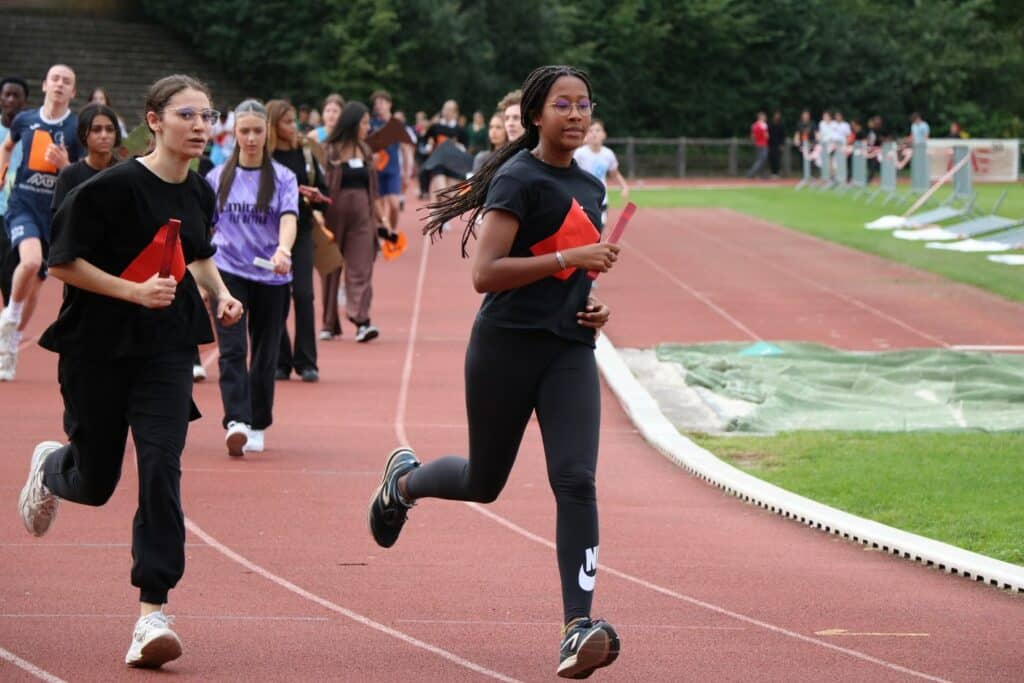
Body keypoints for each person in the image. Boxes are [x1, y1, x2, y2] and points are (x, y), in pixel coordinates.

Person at [368, 64, 621, 679]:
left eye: (584, 104)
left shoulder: (591, 188)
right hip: (505, 349)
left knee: (576, 479)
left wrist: (592, 303)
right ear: (536, 114)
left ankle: (576, 627)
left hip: (568, 350)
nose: (576, 114)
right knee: (484, 482)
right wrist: (568, 255)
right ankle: (404, 484)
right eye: (563, 104)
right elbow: (486, 273)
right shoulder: (517, 178)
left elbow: (574, 275)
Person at [17, 73, 243, 669]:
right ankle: (52, 467)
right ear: (154, 120)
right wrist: (132, 291)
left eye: (206, 116)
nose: (200, 126)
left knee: (162, 468)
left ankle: (152, 615)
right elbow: (61, 264)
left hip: (166, 349)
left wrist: (220, 294)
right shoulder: (108, 189)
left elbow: (196, 254)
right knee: (95, 484)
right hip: (97, 349)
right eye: (187, 115)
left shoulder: (199, 191)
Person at [205, 99, 298, 455]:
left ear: (266, 133)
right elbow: (206, 227)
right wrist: (202, 278)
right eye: (244, 131)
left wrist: (283, 250)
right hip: (228, 272)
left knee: (264, 352)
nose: (251, 138)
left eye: (257, 131)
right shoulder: (217, 178)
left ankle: (258, 421)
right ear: (234, 133)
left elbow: (289, 218)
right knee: (232, 348)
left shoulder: (284, 178)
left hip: (271, 276)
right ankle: (236, 421)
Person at [0, 64, 83, 381]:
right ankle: (10, 315)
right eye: (55, 79)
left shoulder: (76, 128)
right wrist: (2, 173)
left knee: (35, 284)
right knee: (31, 261)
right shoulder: (25, 120)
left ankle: (11, 343)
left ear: (73, 92)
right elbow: (8, 146)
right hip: (23, 205)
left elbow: (81, 173)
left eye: (67, 81)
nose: (60, 84)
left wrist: (65, 165)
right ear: (45, 85)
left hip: (54, 212)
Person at [267, 98, 328, 383]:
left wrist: (316, 196)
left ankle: (307, 361)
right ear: (273, 125)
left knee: (304, 294)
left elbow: (325, 195)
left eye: (294, 121)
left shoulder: (305, 152)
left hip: (301, 230)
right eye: (288, 122)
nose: (294, 127)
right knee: (275, 296)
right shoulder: (262, 156)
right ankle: (281, 360)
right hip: (268, 234)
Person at [322, 101, 385, 342]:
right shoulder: (329, 150)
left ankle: (361, 321)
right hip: (332, 216)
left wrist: (382, 221)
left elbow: (373, 190)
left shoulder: (365, 150)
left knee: (361, 266)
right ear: (352, 123)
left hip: (362, 217)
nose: (368, 128)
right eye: (365, 123)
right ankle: (329, 323)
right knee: (331, 268)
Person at [50, 102, 121, 222]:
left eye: (109, 129)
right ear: (83, 134)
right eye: (96, 130)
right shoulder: (69, 176)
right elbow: (60, 222)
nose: (104, 135)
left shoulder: (125, 173)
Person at [1, 75, 30, 306]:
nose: (11, 99)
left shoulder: (32, 133)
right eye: (7, 94)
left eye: (16, 95)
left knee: (9, 276)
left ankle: (10, 321)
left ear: (24, 101)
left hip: (16, 215)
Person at [573, 119, 629, 228]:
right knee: (584, 230)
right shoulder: (579, 154)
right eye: (590, 131)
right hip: (583, 200)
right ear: (586, 135)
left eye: (598, 130)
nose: (594, 133)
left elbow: (614, 173)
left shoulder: (608, 154)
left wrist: (624, 186)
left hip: (601, 199)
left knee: (599, 229)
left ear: (604, 134)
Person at [370, 90, 403, 239]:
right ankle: (385, 232)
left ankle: (393, 230)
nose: (379, 106)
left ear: (389, 104)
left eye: (382, 102)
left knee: (394, 204)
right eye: (376, 103)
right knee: (379, 207)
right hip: (376, 170)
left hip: (393, 169)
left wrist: (407, 171)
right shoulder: (371, 124)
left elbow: (406, 149)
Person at [746, 111, 769, 178]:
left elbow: (752, 136)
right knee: (762, 160)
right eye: (764, 117)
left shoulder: (754, 125)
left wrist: (754, 142)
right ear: (761, 117)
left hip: (757, 144)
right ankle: (751, 173)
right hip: (763, 144)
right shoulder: (764, 125)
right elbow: (766, 136)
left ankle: (759, 174)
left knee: (759, 159)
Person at [767, 110, 785, 178]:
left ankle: (777, 173)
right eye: (776, 115)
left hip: (778, 145)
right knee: (771, 158)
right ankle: (772, 173)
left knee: (777, 159)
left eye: (778, 115)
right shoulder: (769, 124)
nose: (777, 116)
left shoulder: (781, 125)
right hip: (771, 144)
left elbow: (783, 136)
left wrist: (782, 144)